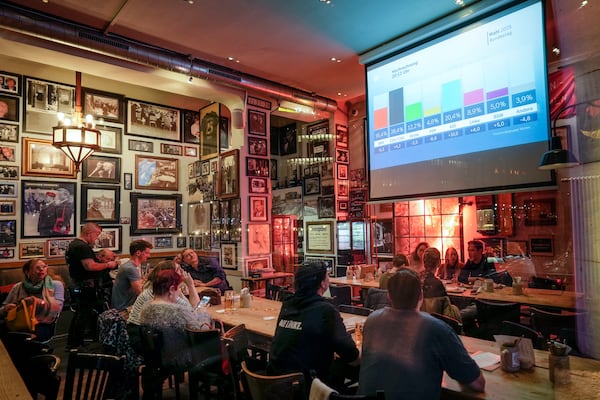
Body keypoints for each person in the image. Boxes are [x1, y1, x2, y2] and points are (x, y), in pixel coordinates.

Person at [358, 268, 485, 400]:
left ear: (389, 296)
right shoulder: (437, 329)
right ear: (421, 296)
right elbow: (477, 384)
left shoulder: (371, 321)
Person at [268, 264, 360, 388]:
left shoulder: (287, 305)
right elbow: (350, 354)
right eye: (328, 275)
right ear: (322, 283)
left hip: (274, 386)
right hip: (306, 389)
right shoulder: (325, 311)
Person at [139, 269, 211, 368]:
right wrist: (203, 314)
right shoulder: (177, 311)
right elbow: (202, 332)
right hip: (180, 357)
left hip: (159, 356)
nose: (178, 293)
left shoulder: (145, 308)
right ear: (172, 289)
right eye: (178, 289)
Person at [128, 260, 201, 355]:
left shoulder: (161, 289)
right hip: (141, 339)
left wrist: (187, 288)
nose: (182, 272)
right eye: (178, 270)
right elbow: (192, 313)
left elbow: (191, 308)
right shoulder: (159, 294)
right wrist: (190, 285)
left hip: (153, 337)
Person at [65, 222, 119, 349]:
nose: (97, 238)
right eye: (97, 234)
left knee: (80, 314)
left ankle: (73, 342)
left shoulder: (74, 245)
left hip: (79, 284)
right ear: (89, 233)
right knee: (82, 315)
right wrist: (108, 265)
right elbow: (90, 266)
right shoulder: (81, 246)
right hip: (85, 286)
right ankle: (76, 344)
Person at [1, 258, 64, 342]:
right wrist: (6, 309)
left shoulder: (56, 285)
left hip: (42, 323)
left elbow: (57, 308)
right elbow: (2, 311)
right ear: (27, 272)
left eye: (44, 267)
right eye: (37, 268)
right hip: (19, 323)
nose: (41, 269)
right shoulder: (18, 287)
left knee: (25, 338)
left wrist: (36, 302)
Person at [111, 240, 152, 310]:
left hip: (126, 305)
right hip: (124, 309)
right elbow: (140, 293)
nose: (149, 255)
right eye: (146, 253)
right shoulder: (130, 268)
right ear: (138, 253)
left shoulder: (130, 266)